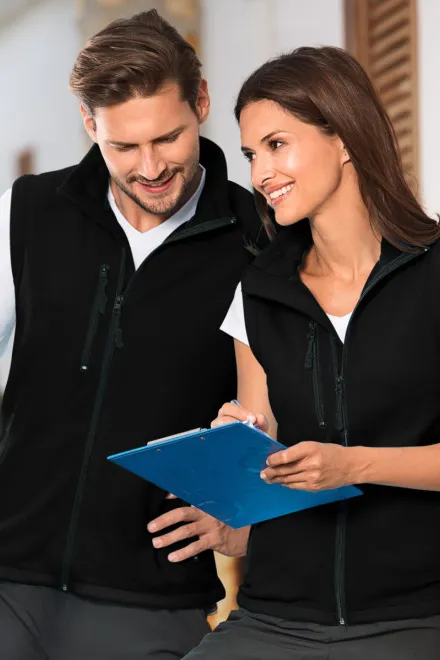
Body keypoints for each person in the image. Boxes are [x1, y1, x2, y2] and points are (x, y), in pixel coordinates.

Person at [155, 46, 440, 659]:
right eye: (251, 154)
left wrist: (354, 466)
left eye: (277, 145)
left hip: (416, 616)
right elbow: (268, 457)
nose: (261, 173)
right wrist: (238, 473)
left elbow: (351, 465)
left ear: (344, 137)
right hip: (274, 616)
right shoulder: (258, 292)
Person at [0, 10, 265, 660]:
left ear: (201, 103)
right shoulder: (28, 212)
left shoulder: (259, 239)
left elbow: (286, 403)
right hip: (9, 578)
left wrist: (246, 510)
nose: (150, 167)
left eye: (168, 138)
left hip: (153, 597)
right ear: (90, 125)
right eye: (123, 146)